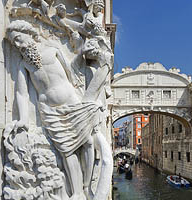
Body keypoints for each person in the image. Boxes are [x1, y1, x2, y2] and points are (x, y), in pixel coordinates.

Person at [6, 20, 113, 200]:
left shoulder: (52, 48)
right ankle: (77, 192)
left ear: (28, 33)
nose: (17, 45)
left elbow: (72, 71)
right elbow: (22, 94)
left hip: (71, 102)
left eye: (18, 39)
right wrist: (24, 118)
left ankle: (86, 187)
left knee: (87, 142)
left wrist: (83, 53)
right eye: (14, 43)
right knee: (66, 151)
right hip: (50, 111)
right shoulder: (23, 65)